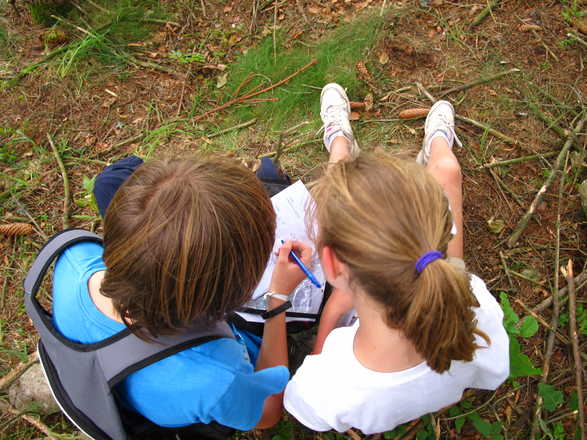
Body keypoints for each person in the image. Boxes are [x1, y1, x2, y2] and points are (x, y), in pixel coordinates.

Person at [283, 83, 509, 434]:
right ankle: (437, 143)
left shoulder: (324, 390)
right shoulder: (475, 308)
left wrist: (330, 315)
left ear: (332, 266)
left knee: (339, 177)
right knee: (446, 171)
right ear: (437, 236)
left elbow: (312, 400)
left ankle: (340, 143)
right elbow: (477, 379)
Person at [52, 155, 314, 434]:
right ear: (227, 297)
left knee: (108, 183)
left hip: (120, 368)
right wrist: (277, 299)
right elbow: (268, 413)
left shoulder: (73, 256)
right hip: (202, 375)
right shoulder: (217, 378)